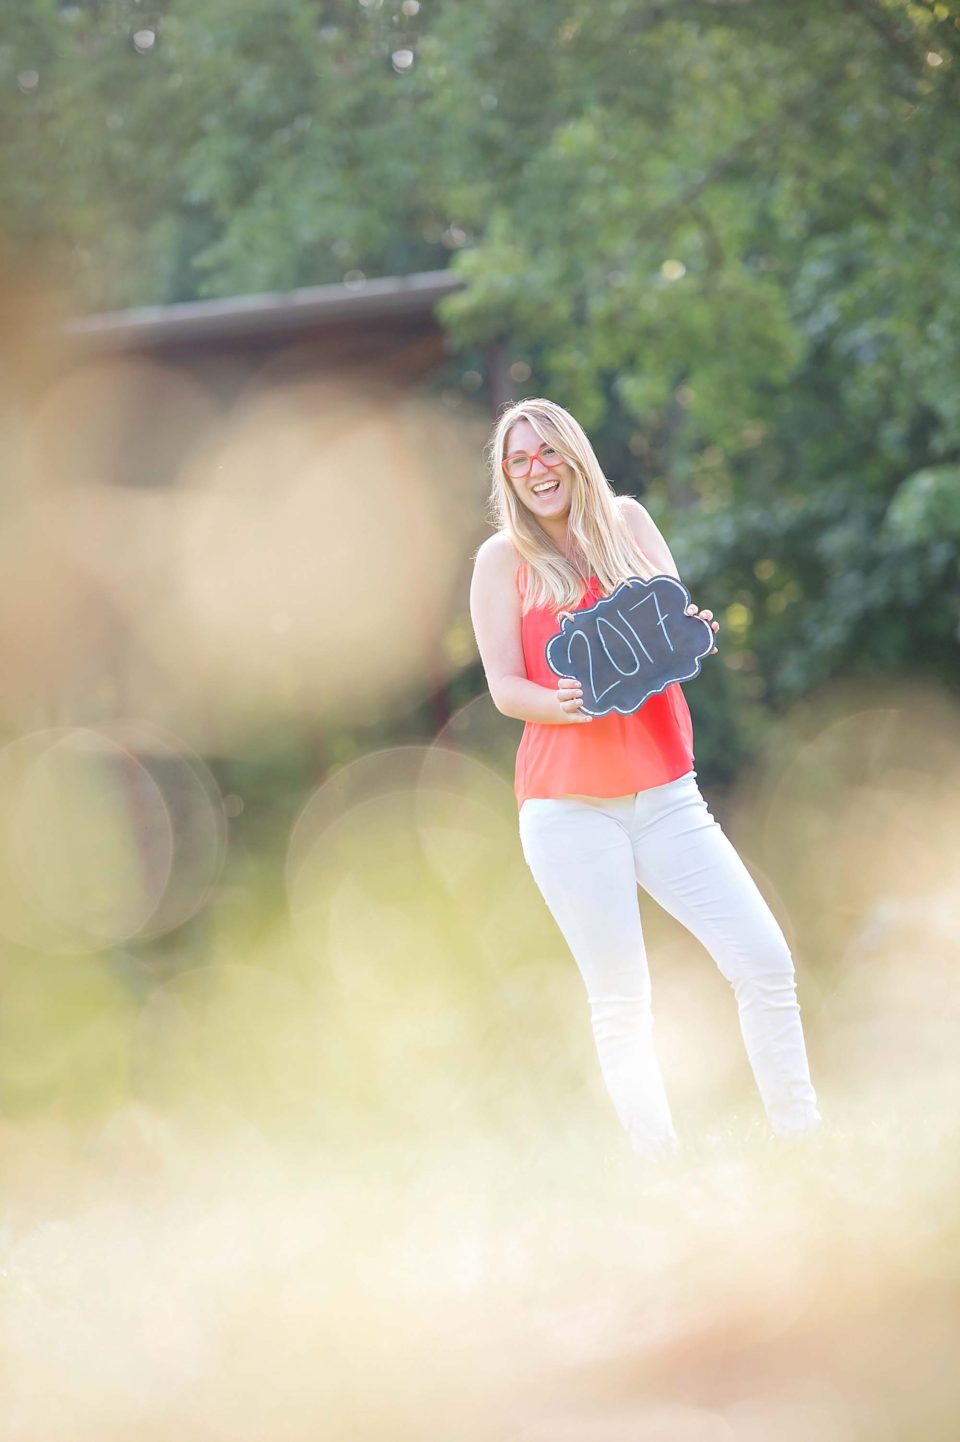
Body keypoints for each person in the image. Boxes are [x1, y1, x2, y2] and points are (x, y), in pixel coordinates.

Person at [468, 396, 822, 1157]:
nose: (538, 470)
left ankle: (803, 1144)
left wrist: (692, 636)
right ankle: (663, 1172)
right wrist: (570, 702)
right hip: (567, 811)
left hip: (666, 797)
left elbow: (671, 626)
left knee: (764, 962)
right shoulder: (502, 561)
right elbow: (505, 686)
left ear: (574, 455)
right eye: (520, 459)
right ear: (508, 475)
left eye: (549, 452)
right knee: (622, 1002)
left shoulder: (627, 523)